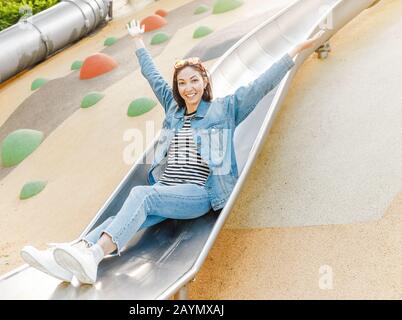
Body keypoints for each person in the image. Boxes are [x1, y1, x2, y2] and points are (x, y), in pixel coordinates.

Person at [20, 19, 324, 284]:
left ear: (204, 81)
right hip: (167, 190)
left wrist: (295, 51)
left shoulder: (225, 109)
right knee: (117, 216)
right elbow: (153, 76)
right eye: (181, 83)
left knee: (141, 194)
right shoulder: (175, 111)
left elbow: (261, 85)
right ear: (177, 89)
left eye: (194, 80)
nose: (188, 87)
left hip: (198, 195)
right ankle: (67, 260)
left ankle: (94, 256)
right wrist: (138, 41)